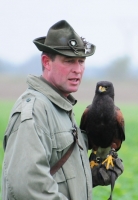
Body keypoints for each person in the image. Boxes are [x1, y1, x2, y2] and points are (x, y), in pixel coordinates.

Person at [2, 20, 124, 200]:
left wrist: (88, 178)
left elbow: (55, 176)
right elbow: (28, 189)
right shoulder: (34, 111)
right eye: (69, 61)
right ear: (46, 62)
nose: (77, 70)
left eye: (81, 61)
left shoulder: (60, 107)